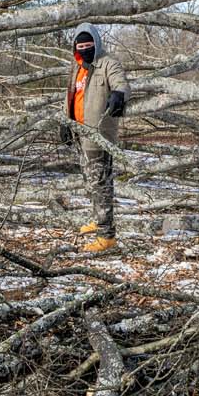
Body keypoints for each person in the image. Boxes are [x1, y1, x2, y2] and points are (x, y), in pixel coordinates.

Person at [62, 23, 129, 253]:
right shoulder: (76, 66)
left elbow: (120, 82)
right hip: (79, 131)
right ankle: (97, 220)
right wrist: (65, 122)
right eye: (80, 46)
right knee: (90, 182)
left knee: (100, 184)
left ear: (96, 44)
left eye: (88, 45)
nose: (84, 49)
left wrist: (119, 95)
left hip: (99, 135)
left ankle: (106, 236)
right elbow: (71, 95)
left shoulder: (108, 63)